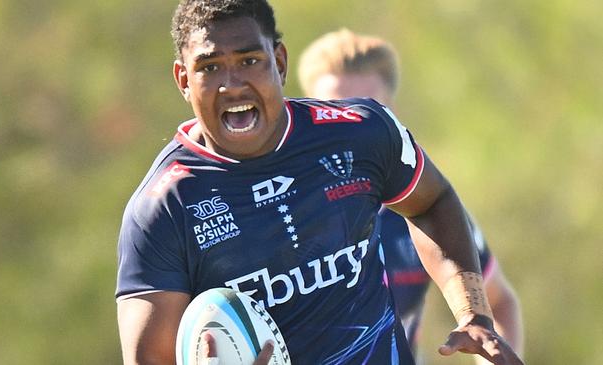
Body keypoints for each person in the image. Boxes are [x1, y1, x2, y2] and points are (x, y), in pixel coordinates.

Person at [115, 1, 525, 364]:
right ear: (183, 80)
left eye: (249, 60)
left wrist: (473, 312)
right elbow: (149, 357)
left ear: (279, 61)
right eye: (209, 67)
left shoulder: (360, 131)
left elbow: (432, 202)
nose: (232, 83)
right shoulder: (163, 207)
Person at [298, 29, 524, 363]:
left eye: (361, 114)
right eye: (334, 113)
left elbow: (499, 303)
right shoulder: (279, 212)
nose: (349, 131)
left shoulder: (431, 210)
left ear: (389, 116)